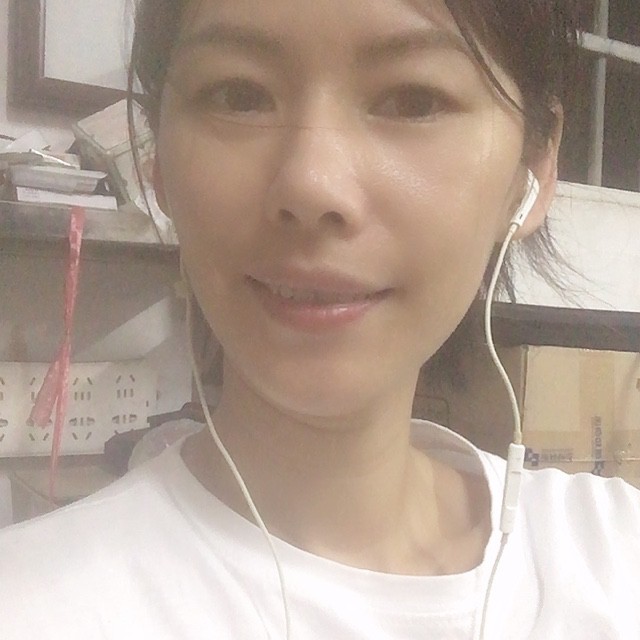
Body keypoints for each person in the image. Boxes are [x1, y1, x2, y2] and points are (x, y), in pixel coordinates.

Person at [1, 0, 639, 638]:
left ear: (535, 168)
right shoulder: (33, 607)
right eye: (239, 95)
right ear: (157, 158)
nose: (312, 185)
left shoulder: (615, 556)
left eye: (413, 101)